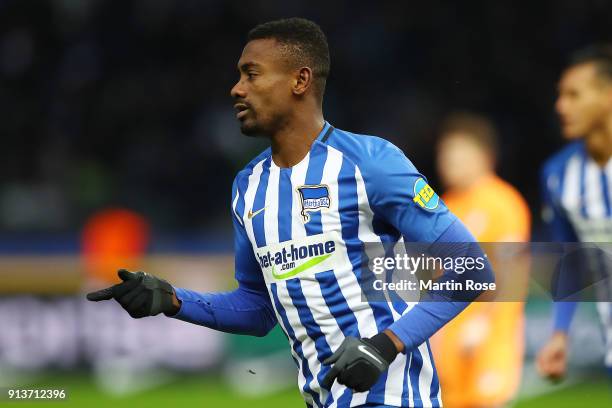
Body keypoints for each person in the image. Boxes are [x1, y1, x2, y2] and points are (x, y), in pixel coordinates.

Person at [86, 18, 493, 408]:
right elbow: (259, 307)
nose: (236, 89)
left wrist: (385, 346)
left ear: (300, 80)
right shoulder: (248, 187)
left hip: (393, 396)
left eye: (252, 74)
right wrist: (173, 300)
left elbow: (473, 269)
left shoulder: (370, 163)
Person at [432, 113, 531, 407]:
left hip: (490, 337)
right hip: (448, 338)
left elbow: (512, 273)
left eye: (458, 155)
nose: (449, 163)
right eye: (445, 156)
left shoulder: (503, 203)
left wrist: (484, 324)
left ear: (484, 156)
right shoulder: (443, 206)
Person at [536, 45, 612, 381]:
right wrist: (560, 333)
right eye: (560, 95)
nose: (561, 106)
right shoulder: (558, 174)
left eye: (574, 95)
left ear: (607, 95)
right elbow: (572, 261)